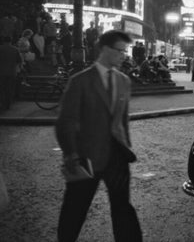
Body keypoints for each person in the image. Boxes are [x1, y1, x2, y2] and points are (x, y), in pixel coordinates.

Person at [55, 30, 142, 242]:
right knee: (75, 208)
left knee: (122, 208)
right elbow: (65, 122)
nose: (124, 55)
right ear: (104, 49)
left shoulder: (123, 81)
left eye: (125, 51)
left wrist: (126, 146)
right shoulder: (80, 81)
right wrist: (71, 155)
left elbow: (122, 120)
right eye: (119, 50)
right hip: (87, 157)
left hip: (118, 157)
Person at [0, 36, 22, 110]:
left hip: (1, 72)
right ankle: (8, 104)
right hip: (12, 72)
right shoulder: (15, 49)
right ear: (11, 41)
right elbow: (19, 60)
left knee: (2, 88)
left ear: (3, 40)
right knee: (10, 88)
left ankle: (2, 103)